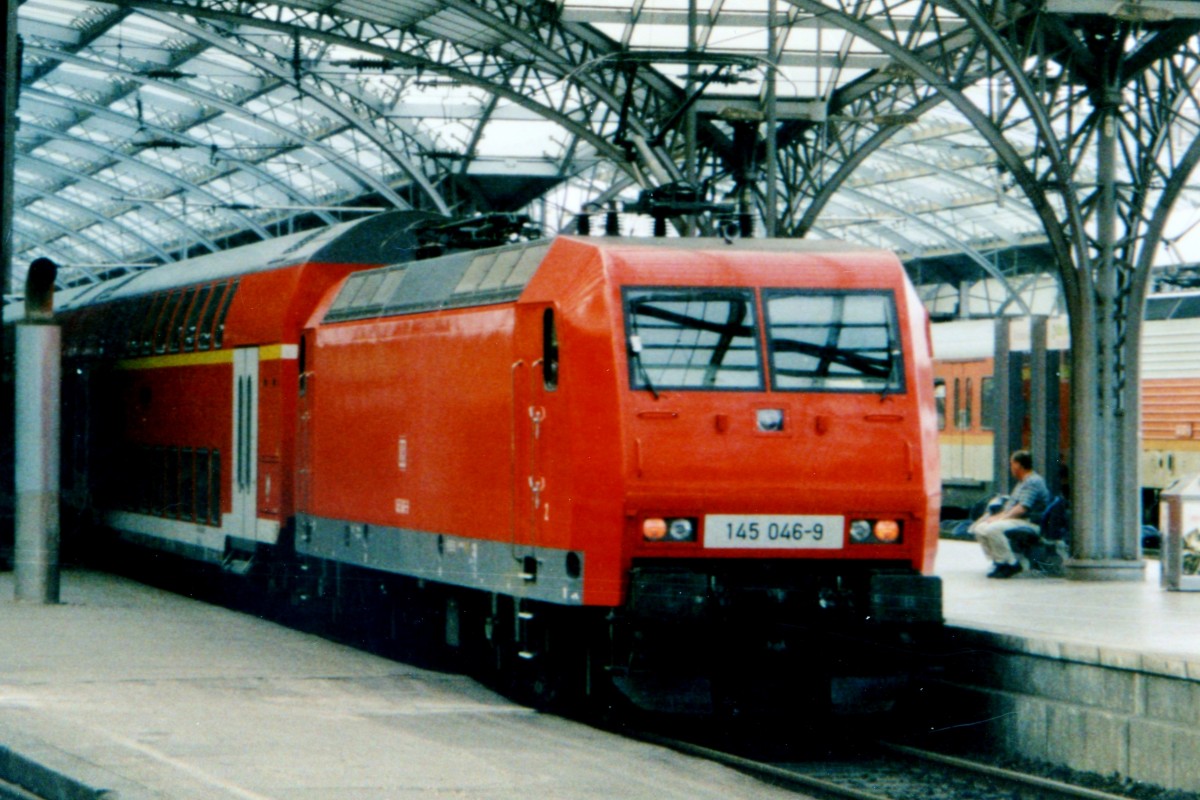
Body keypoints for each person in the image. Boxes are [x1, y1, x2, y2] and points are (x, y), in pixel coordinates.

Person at [970, 450, 1051, 578]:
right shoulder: (1022, 482)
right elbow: (1010, 507)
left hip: (1029, 522)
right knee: (980, 528)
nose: (1011, 468)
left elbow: (1023, 508)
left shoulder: (1033, 482)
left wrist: (1000, 519)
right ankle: (999, 562)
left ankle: (1012, 564)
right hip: (1019, 520)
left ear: (1018, 465)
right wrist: (994, 517)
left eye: (1012, 464)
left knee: (992, 529)